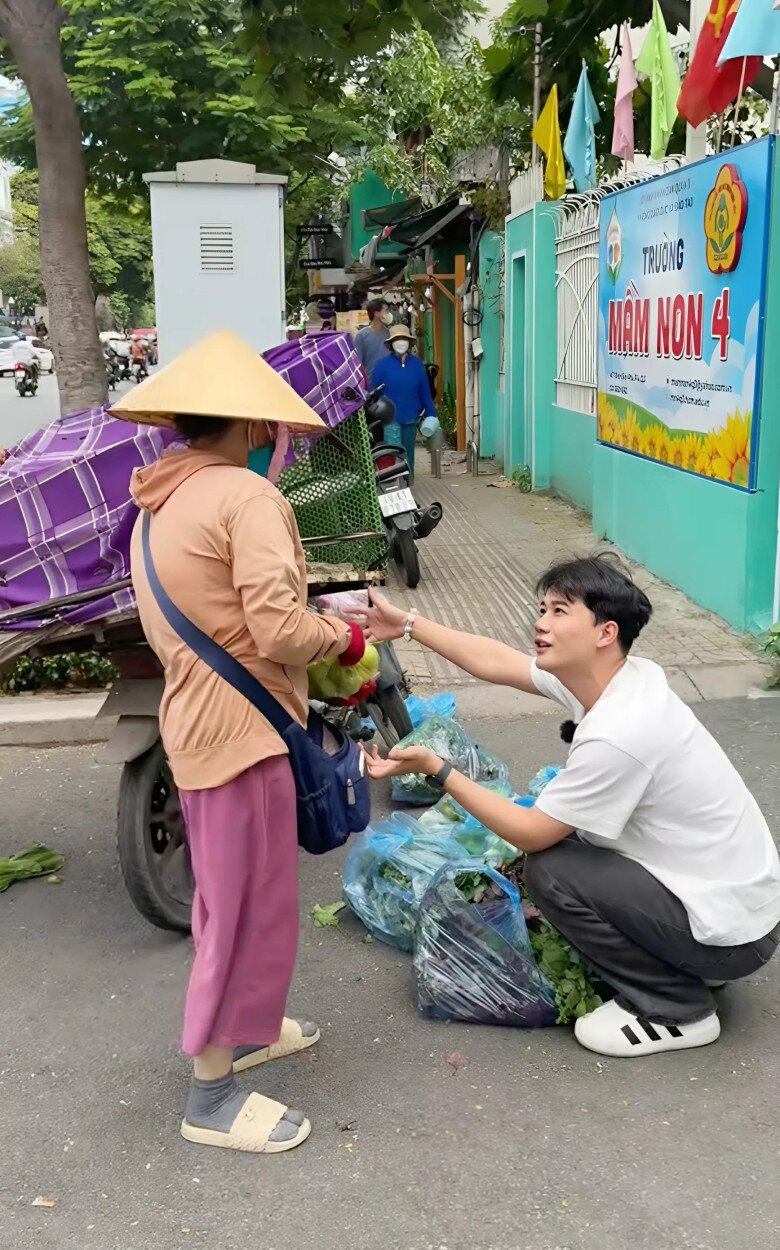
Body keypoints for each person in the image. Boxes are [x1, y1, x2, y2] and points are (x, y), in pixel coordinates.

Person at [358, 554, 780, 1059]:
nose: (540, 622)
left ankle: (677, 1006)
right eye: (542, 609)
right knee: (568, 836)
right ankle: (681, 965)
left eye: (560, 611)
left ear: (605, 631)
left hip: (732, 936)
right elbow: (499, 662)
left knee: (552, 870)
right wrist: (407, 624)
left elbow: (532, 833)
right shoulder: (621, 677)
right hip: (735, 906)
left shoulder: (622, 730)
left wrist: (439, 770)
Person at [110, 331, 366, 1155]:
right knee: (238, 911)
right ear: (254, 427)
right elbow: (281, 630)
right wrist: (346, 637)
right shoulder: (248, 500)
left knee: (252, 903)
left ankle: (249, 1030)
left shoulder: (158, 500)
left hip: (199, 724)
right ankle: (210, 1095)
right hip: (244, 734)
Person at [369, 325, 436, 479]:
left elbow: (425, 392)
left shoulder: (417, 365)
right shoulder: (382, 365)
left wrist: (431, 414)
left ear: (409, 342)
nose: (400, 342)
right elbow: (373, 393)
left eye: (403, 339)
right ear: (391, 343)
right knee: (393, 455)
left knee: (408, 455)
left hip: (411, 417)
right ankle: (394, 486)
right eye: (397, 339)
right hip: (389, 420)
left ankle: (408, 484)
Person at [353, 298, 393, 377]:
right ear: (376, 313)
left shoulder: (391, 334)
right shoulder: (362, 336)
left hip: (390, 382)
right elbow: (357, 364)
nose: (389, 314)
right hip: (370, 385)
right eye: (386, 311)